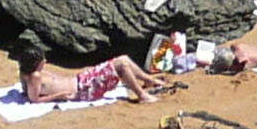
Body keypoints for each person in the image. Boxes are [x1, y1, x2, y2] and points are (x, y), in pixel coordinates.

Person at [10, 32, 163, 106]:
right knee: (121, 66)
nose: (45, 61)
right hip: (84, 90)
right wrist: (59, 95)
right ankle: (142, 95)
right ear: (33, 64)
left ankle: (150, 80)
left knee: (122, 59)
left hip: (82, 80)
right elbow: (34, 99)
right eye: (41, 61)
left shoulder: (29, 73)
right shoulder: (34, 76)